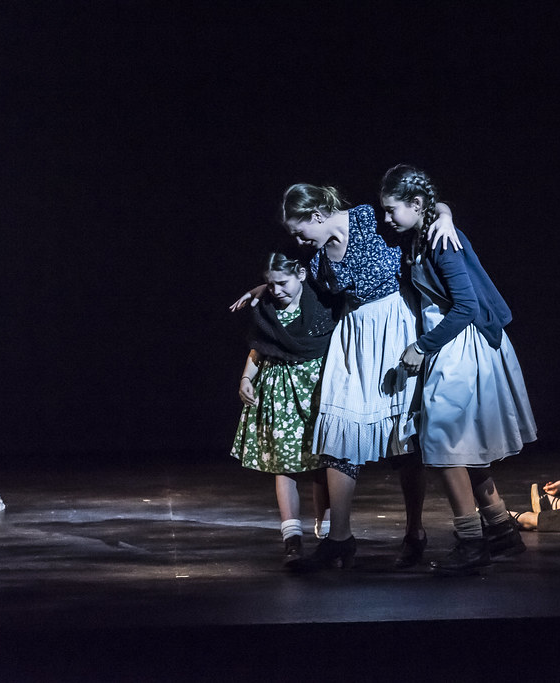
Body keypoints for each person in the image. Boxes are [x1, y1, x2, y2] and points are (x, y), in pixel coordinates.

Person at [233, 183, 459, 571]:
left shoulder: (370, 219)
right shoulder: (319, 257)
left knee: (402, 440)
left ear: (316, 216)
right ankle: (339, 538)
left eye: (300, 231)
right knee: (337, 430)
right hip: (352, 337)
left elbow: (423, 208)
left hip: (394, 329)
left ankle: (414, 532)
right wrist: (262, 289)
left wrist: (447, 216)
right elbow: (293, 278)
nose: (299, 241)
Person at [380, 164, 538, 576]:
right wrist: (445, 212)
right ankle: (501, 530)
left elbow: (465, 306)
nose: (387, 218)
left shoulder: (441, 241)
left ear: (416, 204)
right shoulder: (425, 231)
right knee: (460, 445)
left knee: (444, 442)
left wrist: (421, 347)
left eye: (392, 209)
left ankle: (470, 542)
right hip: (450, 343)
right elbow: (438, 207)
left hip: (463, 344)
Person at [230, 253, 341, 566]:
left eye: (282, 283)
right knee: (284, 464)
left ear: (301, 275)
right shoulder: (266, 309)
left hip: (316, 388)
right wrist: (246, 379)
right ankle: (291, 538)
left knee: (323, 461)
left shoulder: (321, 304)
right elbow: (259, 348)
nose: (276, 290)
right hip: (280, 389)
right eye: (270, 284)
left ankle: (328, 534)